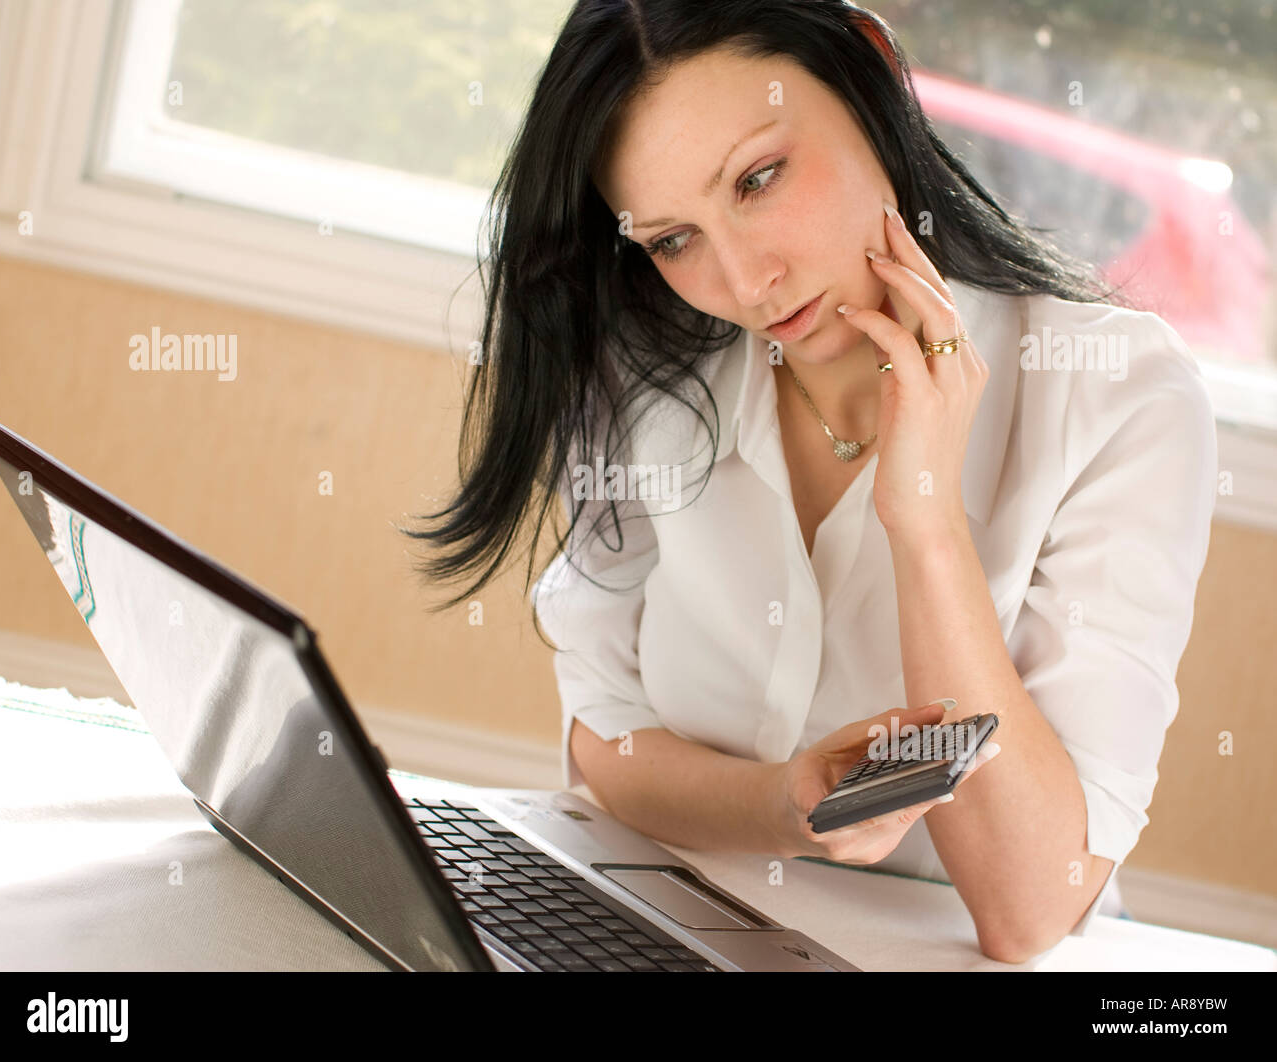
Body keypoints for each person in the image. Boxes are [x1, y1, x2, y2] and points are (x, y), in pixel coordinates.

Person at [401, 1, 1217, 963]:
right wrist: (784, 806)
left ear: (866, 67)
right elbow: (604, 738)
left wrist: (925, 524)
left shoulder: (1118, 397)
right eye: (674, 240)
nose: (748, 281)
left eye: (758, 179)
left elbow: (1032, 906)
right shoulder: (647, 366)